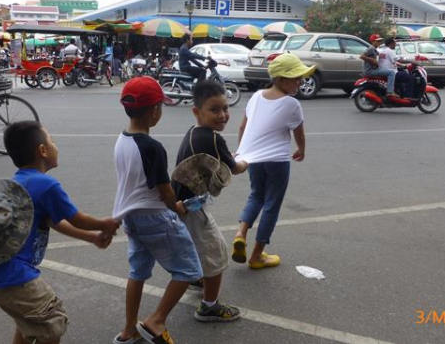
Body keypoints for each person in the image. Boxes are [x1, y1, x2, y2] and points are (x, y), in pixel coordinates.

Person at [0, 120, 120, 344]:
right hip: (11, 274)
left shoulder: (18, 183)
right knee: (52, 321)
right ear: (43, 150)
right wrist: (103, 225)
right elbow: (77, 218)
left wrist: (92, 237)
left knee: (29, 321)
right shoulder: (47, 185)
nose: (56, 145)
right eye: (52, 140)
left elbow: (53, 222)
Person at [113, 77, 203, 344]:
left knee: (138, 272)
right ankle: (156, 320)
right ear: (155, 111)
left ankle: (128, 330)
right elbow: (165, 192)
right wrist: (177, 209)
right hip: (154, 218)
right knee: (189, 270)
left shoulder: (121, 140)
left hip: (133, 218)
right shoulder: (152, 148)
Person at [172, 80, 249, 323]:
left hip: (180, 205)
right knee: (215, 254)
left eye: (225, 108)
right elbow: (235, 168)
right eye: (214, 110)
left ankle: (197, 278)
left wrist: (231, 158)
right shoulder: (213, 139)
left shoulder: (194, 132)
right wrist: (248, 160)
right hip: (193, 208)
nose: (223, 115)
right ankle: (209, 306)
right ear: (197, 111)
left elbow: (220, 159)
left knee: (196, 247)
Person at [232, 54, 311, 269]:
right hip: (277, 160)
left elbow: (242, 127)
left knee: (256, 195)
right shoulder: (292, 104)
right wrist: (301, 150)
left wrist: (241, 153)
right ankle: (257, 256)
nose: (299, 83)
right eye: (296, 78)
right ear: (281, 79)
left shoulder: (256, 96)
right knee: (271, 205)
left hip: (252, 159)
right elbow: (300, 135)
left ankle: (241, 233)